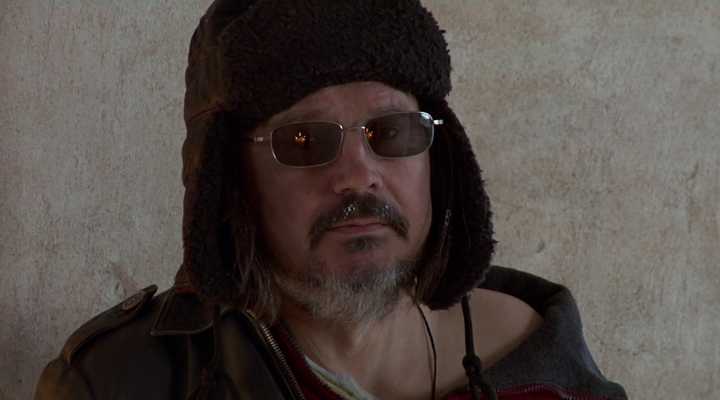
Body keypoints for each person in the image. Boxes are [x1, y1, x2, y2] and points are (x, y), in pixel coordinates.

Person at [35, 1, 627, 399]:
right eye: (304, 141)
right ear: (232, 181)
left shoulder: (543, 363)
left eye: (390, 132)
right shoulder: (120, 382)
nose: (357, 176)